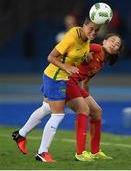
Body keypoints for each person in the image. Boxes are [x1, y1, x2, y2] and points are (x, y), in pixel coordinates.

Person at [12, 17, 101, 163]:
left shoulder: (87, 39)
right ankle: (42, 153)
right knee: (58, 115)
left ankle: (20, 134)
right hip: (55, 77)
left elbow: (77, 55)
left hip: (61, 78)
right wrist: (66, 67)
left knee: (46, 108)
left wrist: (86, 58)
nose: (93, 32)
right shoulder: (72, 36)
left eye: (96, 30)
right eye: (91, 29)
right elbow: (50, 57)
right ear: (84, 26)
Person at [66, 33, 123, 161]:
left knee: (97, 111)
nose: (114, 44)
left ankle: (95, 152)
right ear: (104, 41)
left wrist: (87, 97)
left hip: (76, 84)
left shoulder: (101, 62)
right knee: (84, 110)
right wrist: (85, 53)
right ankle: (80, 153)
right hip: (66, 81)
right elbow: (78, 49)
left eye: (117, 44)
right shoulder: (97, 48)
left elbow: (85, 82)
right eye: (112, 41)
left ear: (117, 50)